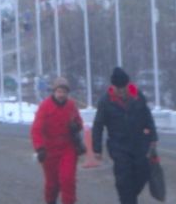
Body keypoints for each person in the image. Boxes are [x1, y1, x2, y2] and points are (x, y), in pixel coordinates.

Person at [91, 67, 159, 204]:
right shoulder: (105, 101)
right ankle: (127, 200)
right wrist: (96, 148)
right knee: (124, 176)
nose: (122, 91)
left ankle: (128, 197)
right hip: (118, 145)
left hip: (140, 143)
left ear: (128, 84)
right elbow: (98, 125)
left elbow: (147, 117)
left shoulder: (138, 96)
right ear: (113, 87)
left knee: (143, 172)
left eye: (124, 87)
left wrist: (153, 137)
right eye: (119, 88)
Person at [31, 76, 84, 204]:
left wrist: (76, 126)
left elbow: (79, 122)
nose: (61, 95)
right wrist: (40, 148)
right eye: (59, 92)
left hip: (68, 148)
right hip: (50, 150)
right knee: (52, 184)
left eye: (64, 92)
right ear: (54, 92)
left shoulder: (71, 105)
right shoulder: (45, 106)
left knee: (68, 180)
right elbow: (36, 129)